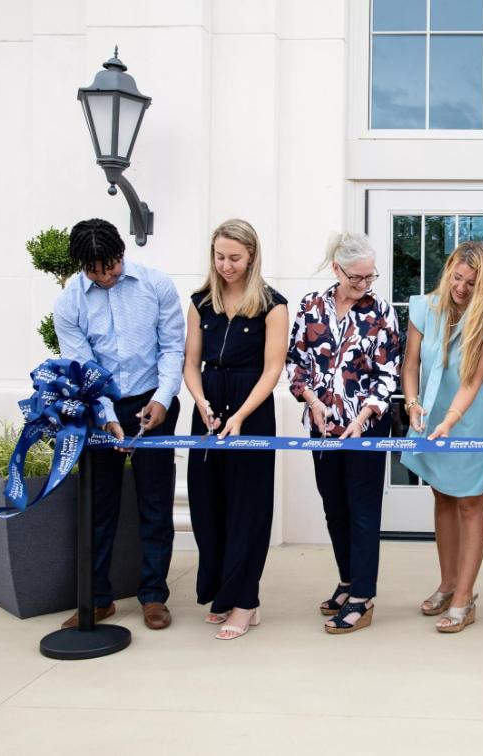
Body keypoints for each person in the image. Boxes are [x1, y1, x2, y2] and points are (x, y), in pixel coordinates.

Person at [53, 218, 184, 630]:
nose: (104, 277)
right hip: (98, 410)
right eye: (94, 271)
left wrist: (161, 399)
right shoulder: (69, 302)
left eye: (109, 267)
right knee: (97, 504)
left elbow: (172, 346)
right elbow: (83, 367)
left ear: (121, 254)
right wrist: (108, 417)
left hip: (153, 400)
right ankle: (97, 599)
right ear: (81, 266)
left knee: (156, 502)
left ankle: (153, 596)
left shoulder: (156, 285)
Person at [287, 231, 400, 635]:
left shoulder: (382, 311)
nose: (365, 284)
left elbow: (389, 374)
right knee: (334, 507)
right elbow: (295, 365)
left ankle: (363, 597)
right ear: (337, 268)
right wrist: (312, 403)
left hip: (365, 428)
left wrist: (365, 414)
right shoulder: (310, 307)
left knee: (363, 511)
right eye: (357, 277)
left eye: (370, 277)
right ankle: (348, 579)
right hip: (321, 427)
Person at [400, 241, 483, 633]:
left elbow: (474, 381)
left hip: (471, 417)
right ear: (448, 270)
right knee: (442, 494)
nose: (461, 288)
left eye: (471, 283)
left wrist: (449, 420)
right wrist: (412, 404)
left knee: (468, 501)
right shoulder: (422, 308)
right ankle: (447, 585)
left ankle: (465, 596)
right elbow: (410, 364)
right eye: (456, 278)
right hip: (431, 415)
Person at [184, 219, 288, 640]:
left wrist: (241, 415)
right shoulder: (199, 303)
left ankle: (245, 602)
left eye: (235, 258)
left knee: (248, 508)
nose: (225, 265)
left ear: (252, 257)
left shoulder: (272, 305)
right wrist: (200, 401)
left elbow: (273, 369)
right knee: (207, 504)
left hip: (252, 411)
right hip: (208, 410)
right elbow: (190, 363)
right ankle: (223, 594)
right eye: (219, 256)